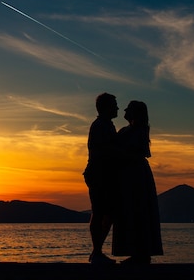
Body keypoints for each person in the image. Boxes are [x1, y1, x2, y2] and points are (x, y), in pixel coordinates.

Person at [112, 100, 163, 265]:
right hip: (128, 174)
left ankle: (141, 254)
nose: (125, 110)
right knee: (131, 211)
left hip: (136, 175)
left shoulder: (139, 131)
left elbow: (136, 152)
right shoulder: (128, 130)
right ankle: (136, 252)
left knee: (138, 210)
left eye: (129, 108)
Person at [83, 92, 119, 265]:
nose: (117, 108)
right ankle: (97, 253)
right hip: (99, 174)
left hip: (102, 174)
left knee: (107, 212)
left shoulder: (106, 125)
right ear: (106, 107)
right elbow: (106, 151)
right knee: (99, 212)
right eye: (114, 105)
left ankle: (96, 252)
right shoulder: (100, 126)